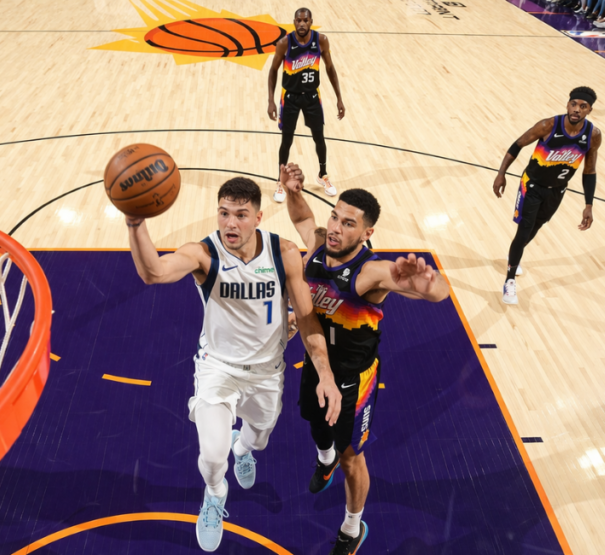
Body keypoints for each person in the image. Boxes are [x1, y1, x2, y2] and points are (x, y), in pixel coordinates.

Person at [126, 176, 341, 552]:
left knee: (256, 438)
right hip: (217, 369)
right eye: (224, 214)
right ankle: (214, 494)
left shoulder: (285, 253)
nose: (230, 224)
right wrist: (134, 222)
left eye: (241, 215)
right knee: (211, 455)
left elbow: (307, 318)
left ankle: (244, 449)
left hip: (266, 374)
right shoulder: (203, 254)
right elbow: (153, 273)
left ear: (258, 217)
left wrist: (325, 373)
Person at [280, 164, 450, 555]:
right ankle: (323, 460)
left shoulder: (371, 272)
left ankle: (353, 526)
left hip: (354, 380)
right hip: (316, 360)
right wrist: (292, 191)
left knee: (351, 457)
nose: (337, 228)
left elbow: (433, 291)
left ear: (367, 233)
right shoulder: (320, 245)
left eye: (349, 223)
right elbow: (303, 217)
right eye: (335, 217)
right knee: (313, 420)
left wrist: (427, 283)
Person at [492, 87, 603, 305]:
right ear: (567, 104)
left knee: (534, 228)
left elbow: (589, 170)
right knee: (524, 230)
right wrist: (501, 173)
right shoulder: (548, 125)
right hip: (531, 186)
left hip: (557, 191)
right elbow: (518, 144)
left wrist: (588, 204)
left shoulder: (593, 135)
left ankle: (514, 256)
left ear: (590, 110)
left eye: (583, 106)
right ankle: (510, 281)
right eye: (574, 104)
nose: (577, 110)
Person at [268, 7, 345, 203]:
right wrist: (270, 100)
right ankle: (280, 180)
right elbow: (273, 71)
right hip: (290, 98)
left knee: (319, 138)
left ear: (311, 21)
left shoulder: (321, 41)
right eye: (298, 21)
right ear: (294, 22)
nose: (302, 24)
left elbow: (329, 68)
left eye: (305, 20)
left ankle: (323, 174)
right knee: (286, 141)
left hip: (312, 97)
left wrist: (339, 97)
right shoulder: (284, 43)